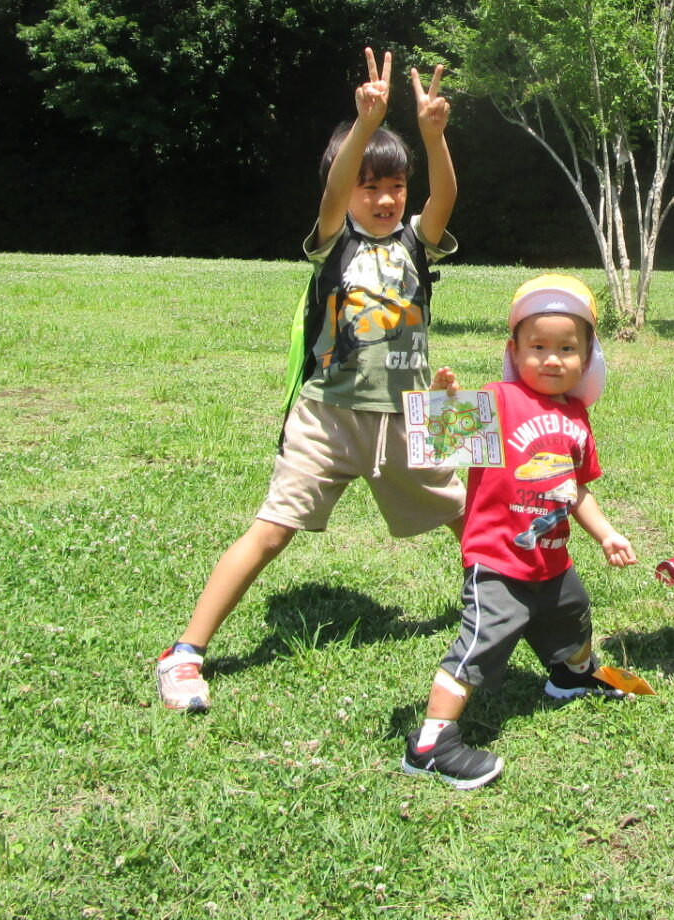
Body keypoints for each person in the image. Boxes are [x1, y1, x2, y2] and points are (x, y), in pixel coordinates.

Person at [154, 49, 464, 712]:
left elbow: (446, 198)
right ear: (348, 185)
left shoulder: (415, 242)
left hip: (418, 411)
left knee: (476, 517)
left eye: (395, 185)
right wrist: (366, 124)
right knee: (270, 530)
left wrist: (434, 138)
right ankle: (184, 654)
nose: (385, 198)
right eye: (369, 185)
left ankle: (508, 612)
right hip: (327, 413)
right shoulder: (335, 240)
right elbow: (331, 196)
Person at [401, 274, 637, 789]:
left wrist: (606, 534)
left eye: (567, 348)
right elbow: (438, 449)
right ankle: (430, 742)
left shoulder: (577, 416)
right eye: (538, 347)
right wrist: (445, 402)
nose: (552, 359)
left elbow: (576, 489)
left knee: (573, 615)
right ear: (514, 349)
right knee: (480, 644)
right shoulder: (500, 399)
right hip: (499, 561)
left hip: (551, 559)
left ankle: (571, 676)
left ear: (587, 355)